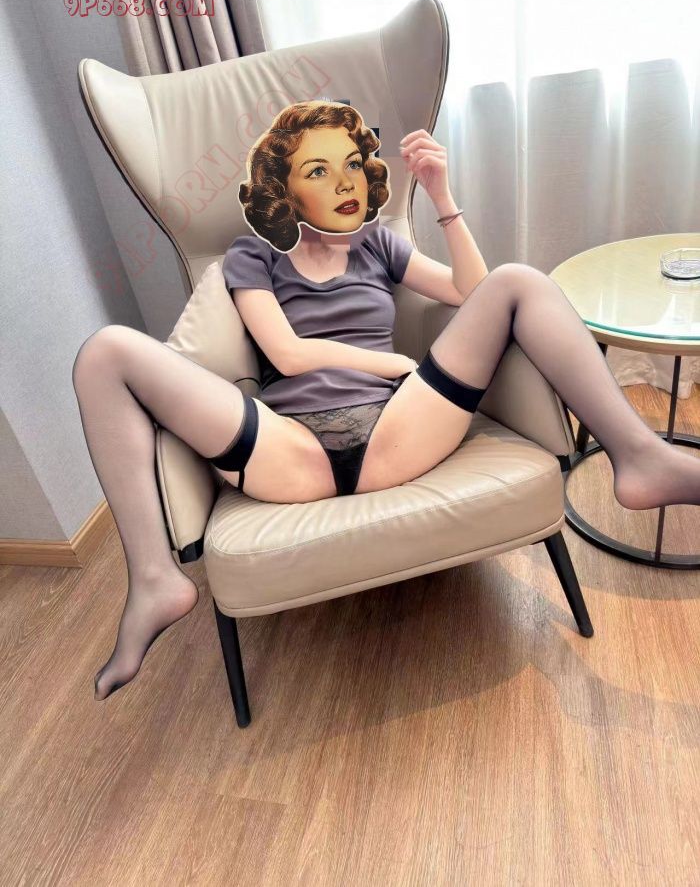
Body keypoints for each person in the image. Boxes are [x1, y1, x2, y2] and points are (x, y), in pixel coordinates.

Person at [72, 100, 700, 701]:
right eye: (318, 170)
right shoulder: (253, 256)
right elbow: (287, 355)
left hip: (396, 435)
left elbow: (474, 294)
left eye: (352, 163)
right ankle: (153, 577)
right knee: (105, 352)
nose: (345, 181)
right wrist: (390, 363)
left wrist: (442, 197)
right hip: (293, 453)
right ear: (283, 190)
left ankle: (639, 457)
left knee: (517, 281)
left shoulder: (377, 243)